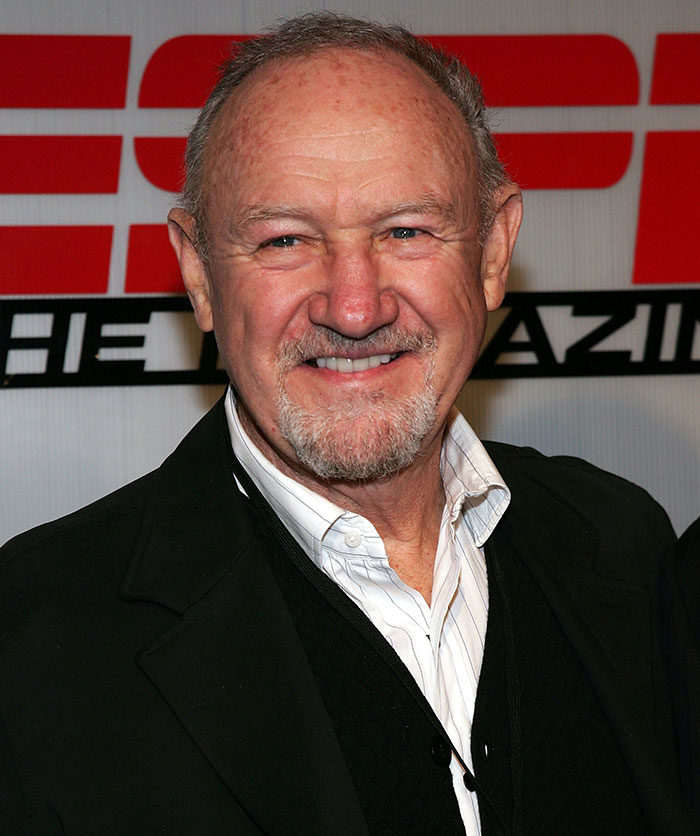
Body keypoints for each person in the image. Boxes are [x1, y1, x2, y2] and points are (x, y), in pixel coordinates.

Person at [0, 13, 695, 836]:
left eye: (406, 231)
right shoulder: (36, 640)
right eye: (286, 239)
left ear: (493, 251)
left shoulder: (624, 549)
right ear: (198, 274)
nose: (356, 307)